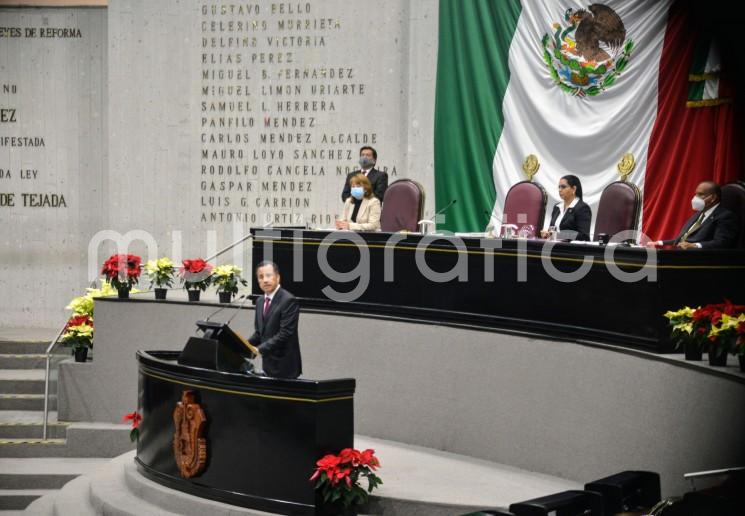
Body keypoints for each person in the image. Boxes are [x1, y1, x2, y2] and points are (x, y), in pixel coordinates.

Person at [247, 261, 302, 379]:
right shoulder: (260, 301)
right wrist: (243, 346)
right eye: (261, 277)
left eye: (268, 275)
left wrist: (259, 349)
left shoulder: (288, 300)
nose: (265, 280)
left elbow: (285, 333)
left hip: (284, 366)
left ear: (278, 277)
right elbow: (259, 333)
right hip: (267, 364)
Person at [647, 181, 738, 249]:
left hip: (699, 261)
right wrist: (659, 243)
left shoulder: (725, 216)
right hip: (679, 256)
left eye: (700, 194)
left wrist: (695, 245)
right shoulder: (698, 214)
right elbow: (682, 240)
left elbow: (722, 243)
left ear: (713, 198)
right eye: (696, 194)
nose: (695, 198)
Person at [540, 174, 592, 241]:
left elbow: (583, 236)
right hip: (554, 247)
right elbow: (552, 230)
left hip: (572, 249)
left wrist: (558, 235)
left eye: (563, 187)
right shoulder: (557, 207)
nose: (560, 190)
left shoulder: (583, 208)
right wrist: (547, 234)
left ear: (574, 189)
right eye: (559, 187)